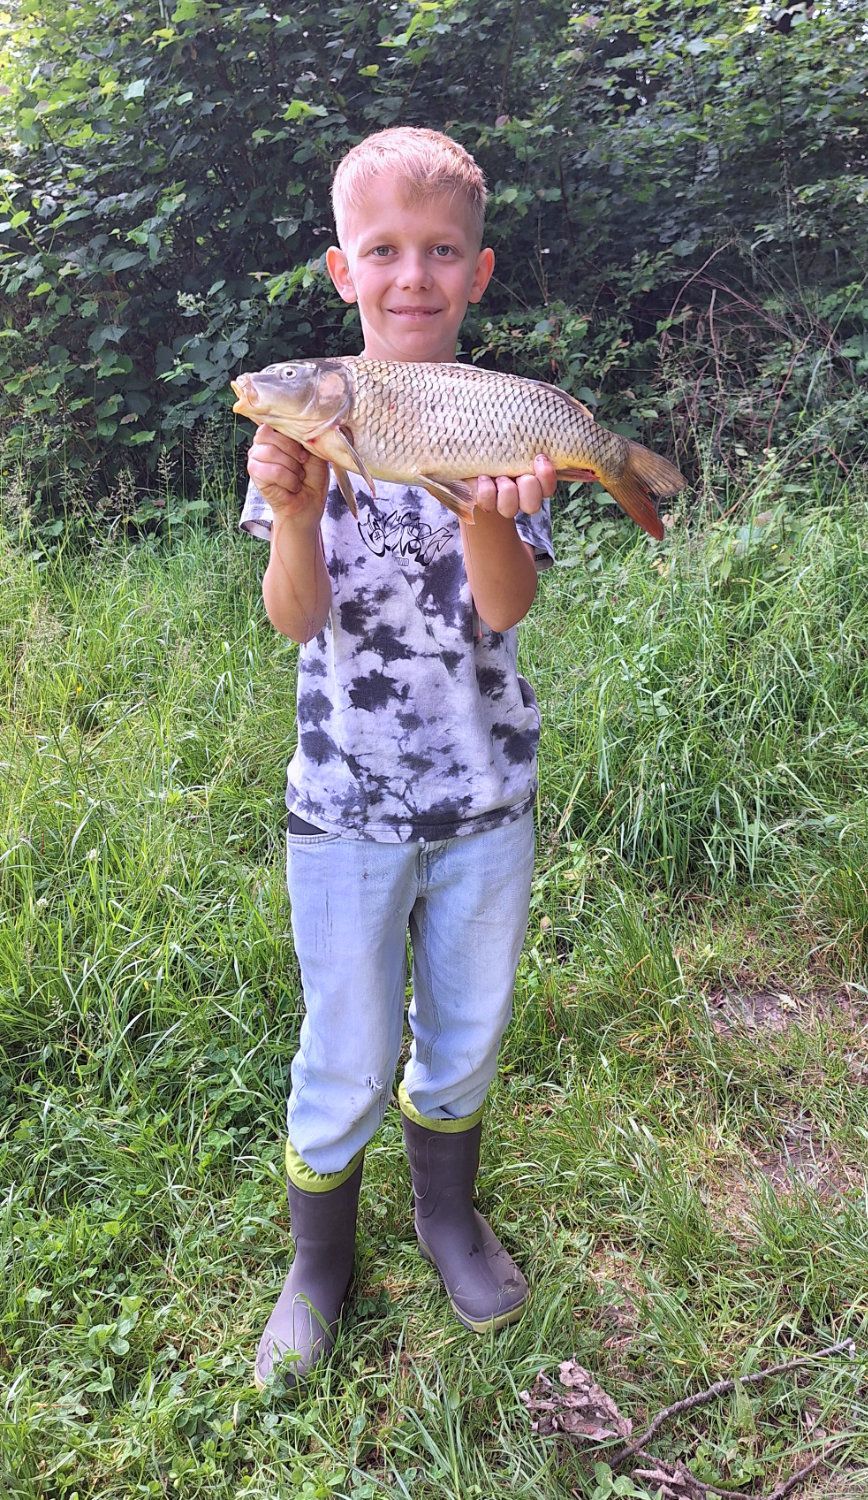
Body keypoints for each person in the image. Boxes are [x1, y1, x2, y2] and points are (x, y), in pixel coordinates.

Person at [240, 126, 594, 1389]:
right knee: (343, 1044)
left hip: (484, 797)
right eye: (383, 251)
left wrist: (491, 510)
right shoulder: (304, 435)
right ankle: (317, 1262)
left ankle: (447, 1215)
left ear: (476, 272)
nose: (411, 276)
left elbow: (504, 607)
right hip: (342, 805)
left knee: (466, 1024)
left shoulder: (497, 415)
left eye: (440, 252)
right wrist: (294, 514)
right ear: (344, 271)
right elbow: (294, 617)